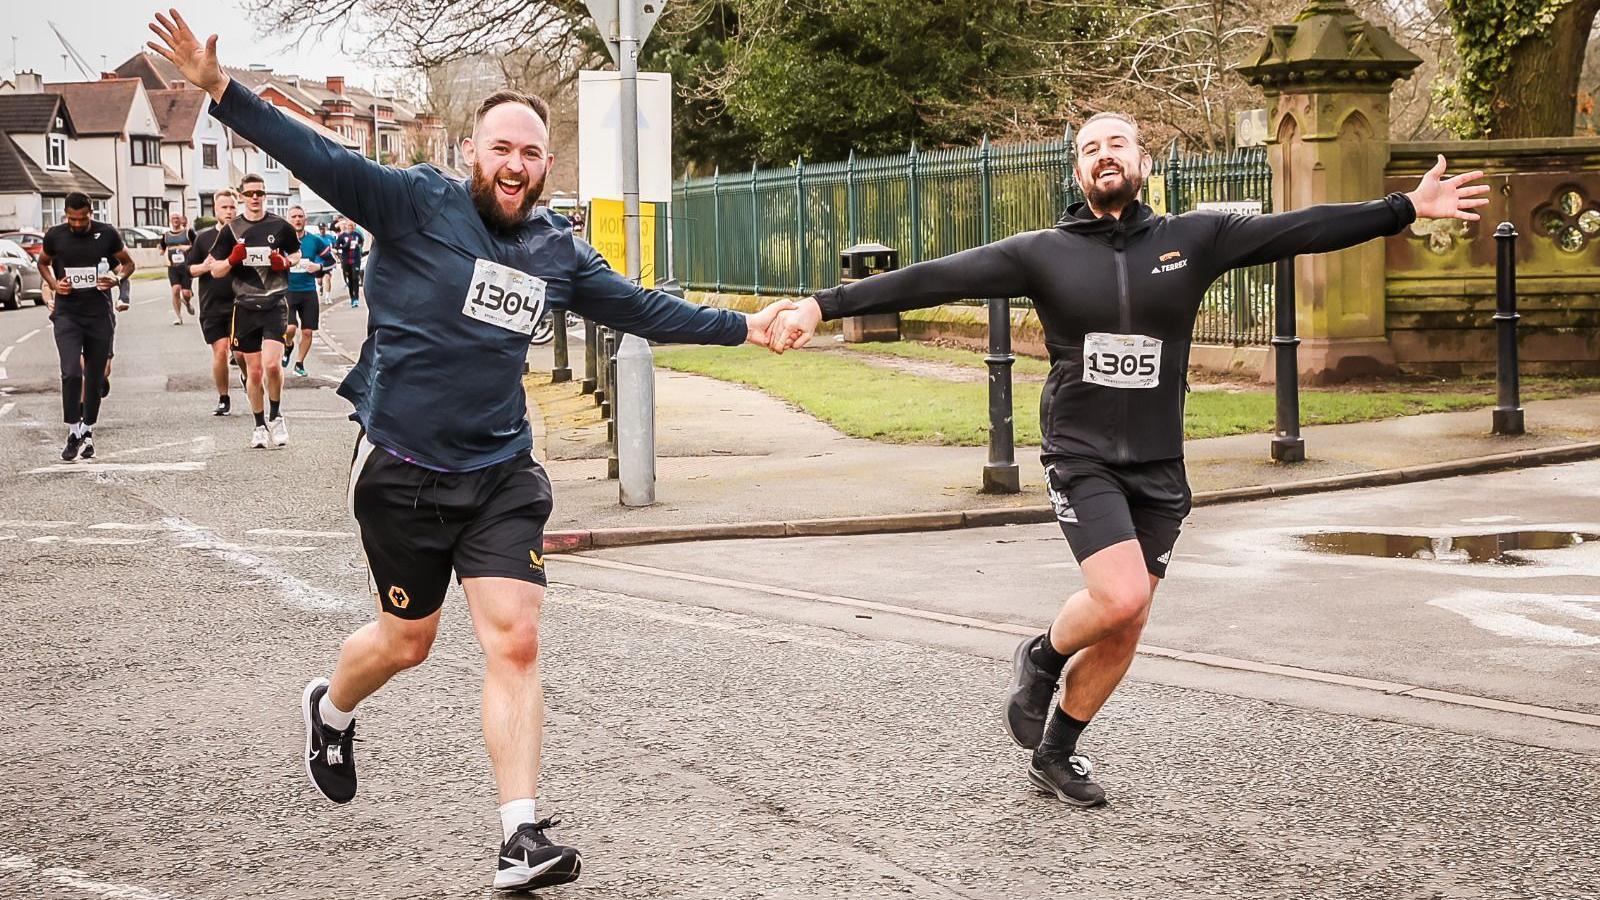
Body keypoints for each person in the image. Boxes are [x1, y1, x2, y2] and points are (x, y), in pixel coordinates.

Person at [149, 10, 794, 894]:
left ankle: (519, 836)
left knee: (516, 639)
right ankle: (330, 708)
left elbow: (642, 310)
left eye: (530, 153)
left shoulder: (556, 250)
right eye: (501, 148)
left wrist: (743, 327)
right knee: (407, 643)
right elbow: (319, 159)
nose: (515, 165)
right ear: (470, 151)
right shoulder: (415, 202)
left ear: (546, 165)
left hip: (500, 472)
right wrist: (221, 90)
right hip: (402, 470)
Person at [765, 111, 1489, 807]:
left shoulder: (1195, 238)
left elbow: (1297, 229)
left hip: (1159, 464)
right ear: (1078, 172)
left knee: (1127, 624)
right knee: (1121, 598)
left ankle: (1055, 752)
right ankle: (1043, 657)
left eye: (1118, 143)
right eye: (1089, 148)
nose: (1104, 154)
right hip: (1081, 453)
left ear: (1144, 163)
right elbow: (934, 277)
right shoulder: (1040, 252)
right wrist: (823, 306)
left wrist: (1403, 208)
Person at [36, 191, 136, 460]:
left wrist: (115, 279)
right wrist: (56, 285)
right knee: (71, 372)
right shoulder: (55, 235)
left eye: (82, 219)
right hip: (67, 314)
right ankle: (73, 431)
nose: (77, 224)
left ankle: (87, 427)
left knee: (94, 376)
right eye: (72, 219)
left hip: (98, 315)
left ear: (91, 213)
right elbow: (42, 263)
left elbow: (128, 264)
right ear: (65, 215)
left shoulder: (107, 234)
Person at [210, 172, 298, 449]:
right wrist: (232, 260)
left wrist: (283, 261)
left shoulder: (280, 226)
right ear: (242, 197)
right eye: (250, 194)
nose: (255, 198)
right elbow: (215, 269)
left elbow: (296, 254)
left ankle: (276, 416)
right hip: (245, 307)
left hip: (274, 303)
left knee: (273, 365)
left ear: (265, 195)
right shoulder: (232, 229)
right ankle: (259, 425)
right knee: (255, 371)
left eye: (259, 193)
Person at [188, 188, 240, 415]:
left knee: (240, 354)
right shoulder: (203, 238)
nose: (228, 211)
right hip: (212, 304)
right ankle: (223, 397)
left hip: (241, 303)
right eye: (224, 207)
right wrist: (206, 267)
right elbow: (190, 269)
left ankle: (248, 378)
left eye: (232, 207)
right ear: (215, 209)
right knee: (220, 352)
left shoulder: (244, 235)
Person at [283, 205, 330, 376]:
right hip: (287, 290)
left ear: (305, 220)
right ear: (288, 221)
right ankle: (288, 346)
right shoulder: (282, 241)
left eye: (300, 216)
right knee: (290, 329)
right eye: (294, 216)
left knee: (308, 331)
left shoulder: (315, 240)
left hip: (308, 291)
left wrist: (318, 266)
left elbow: (331, 261)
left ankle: (299, 363)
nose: (297, 219)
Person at [161, 211, 197, 324]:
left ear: (181, 220)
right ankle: (179, 317)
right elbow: (162, 249)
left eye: (177, 218)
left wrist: (187, 248)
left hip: (186, 266)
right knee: (175, 290)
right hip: (173, 267)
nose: (175, 220)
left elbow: (197, 245)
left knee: (186, 293)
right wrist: (164, 255)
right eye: (173, 218)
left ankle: (187, 302)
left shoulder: (188, 232)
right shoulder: (166, 235)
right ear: (170, 220)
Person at [332, 217, 364, 307]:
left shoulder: (357, 235)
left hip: (355, 259)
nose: (351, 227)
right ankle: (352, 297)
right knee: (349, 279)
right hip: (346, 260)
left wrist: (358, 246)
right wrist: (345, 246)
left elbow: (361, 242)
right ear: (346, 226)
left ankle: (356, 298)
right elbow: (337, 246)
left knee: (355, 278)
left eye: (352, 226)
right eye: (349, 226)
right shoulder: (342, 236)